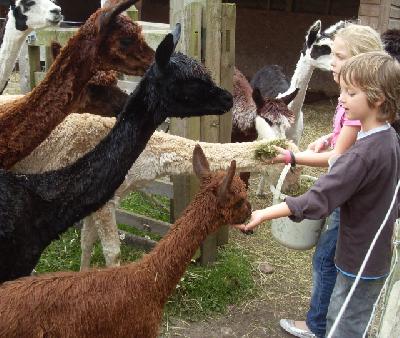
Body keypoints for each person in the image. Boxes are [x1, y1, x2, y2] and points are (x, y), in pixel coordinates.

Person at [235, 51, 400, 338]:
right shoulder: (388, 139)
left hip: (358, 260)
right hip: (375, 257)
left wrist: (262, 213)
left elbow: (317, 198)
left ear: (377, 99)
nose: (340, 99)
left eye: (350, 92)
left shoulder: (361, 155)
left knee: (342, 326)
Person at [268, 23, 384, 338]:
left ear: (361, 62)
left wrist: (293, 157)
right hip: (351, 191)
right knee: (329, 258)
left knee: (326, 260)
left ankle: (319, 325)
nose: (332, 61)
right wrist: (326, 138)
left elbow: (339, 158)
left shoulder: (357, 108)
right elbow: (341, 138)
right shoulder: (353, 99)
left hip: (348, 197)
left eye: (340, 55)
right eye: (332, 53)